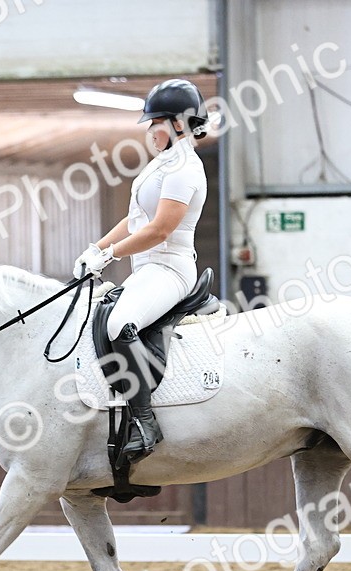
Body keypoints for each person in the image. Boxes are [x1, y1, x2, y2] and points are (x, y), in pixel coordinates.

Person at [74, 78, 209, 463]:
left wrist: (111, 255)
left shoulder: (184, 169)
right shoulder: (162, 165)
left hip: (170, 268)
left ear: (180, 124)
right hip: (148, 269)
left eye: (157, 123)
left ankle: (146, 422)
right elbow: (136, 221)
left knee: (120, 325)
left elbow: (160, 229)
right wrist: (97, 248)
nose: (151, 132)